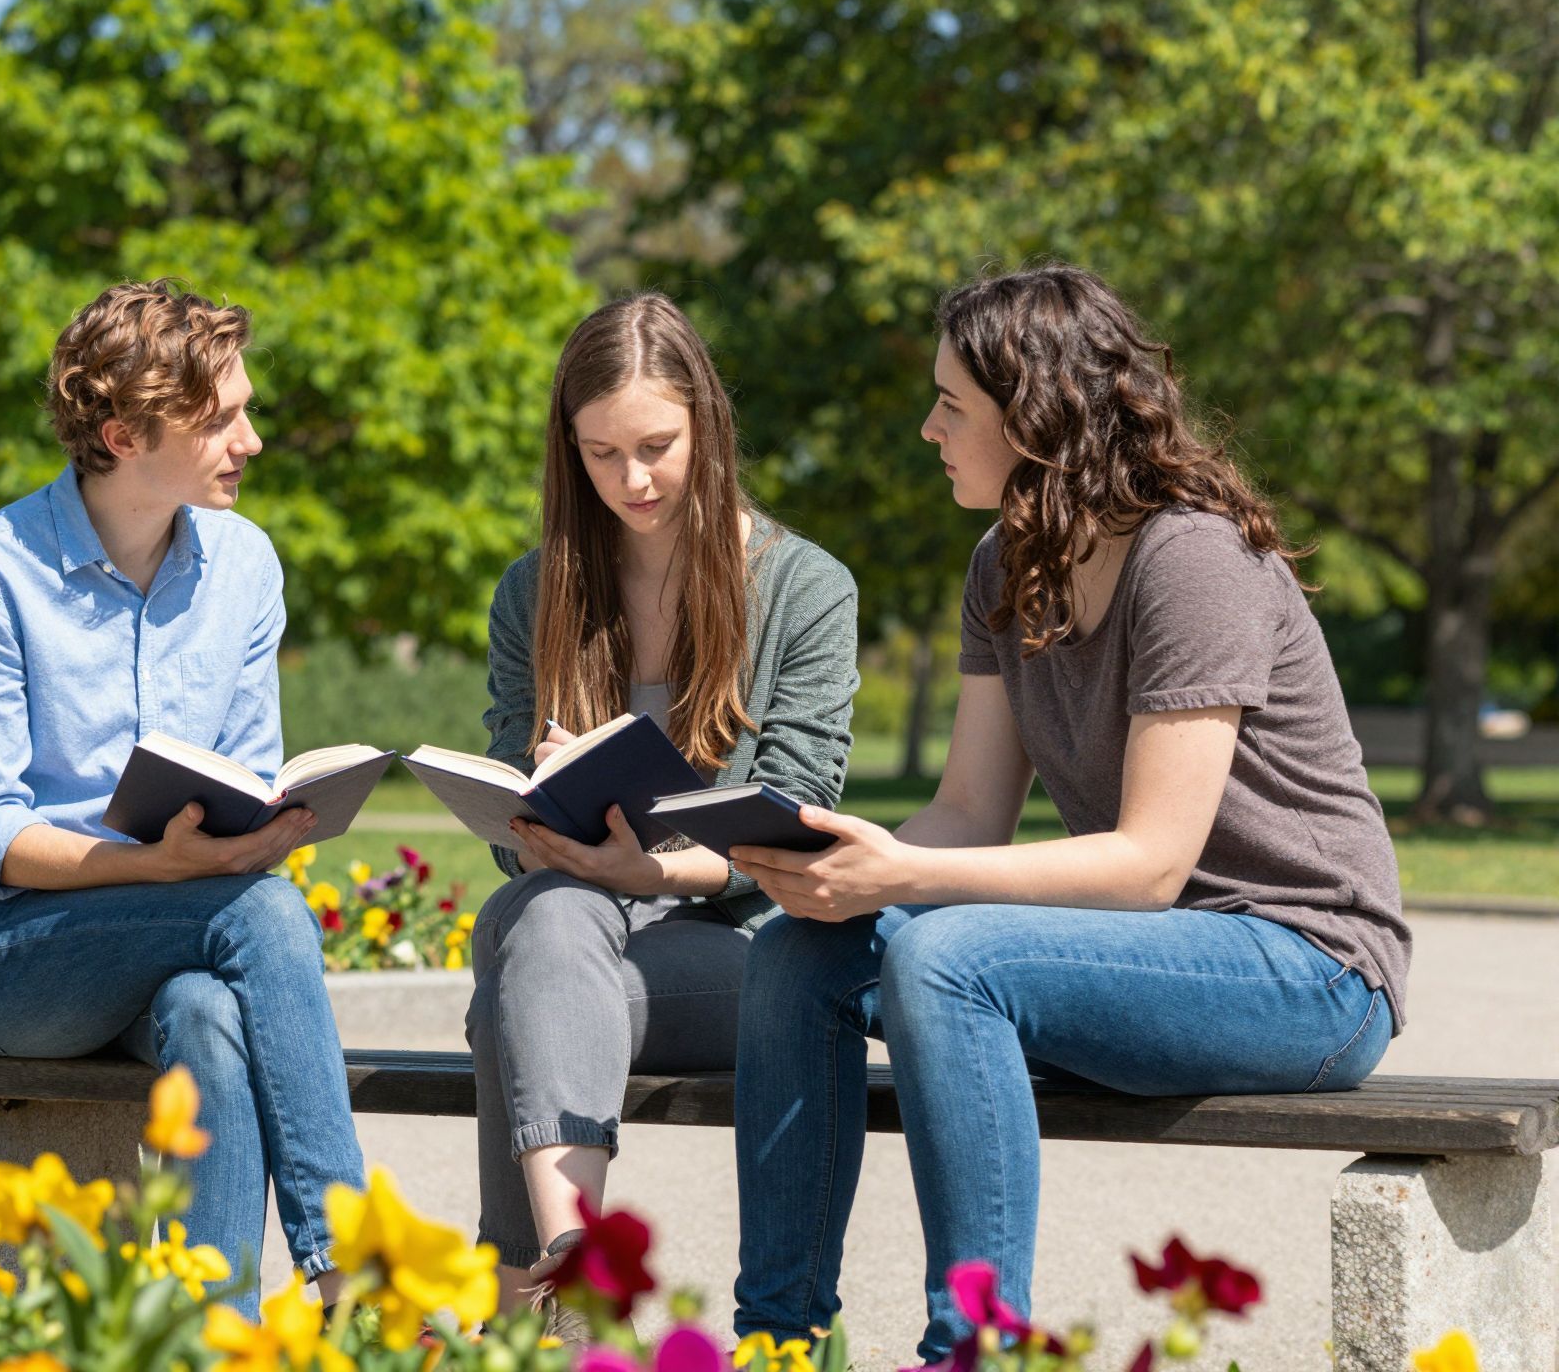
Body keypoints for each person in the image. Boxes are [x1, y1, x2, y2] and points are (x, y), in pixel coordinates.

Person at [728, 264, 1412, 1364]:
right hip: (1148, 954)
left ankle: (975, 1347)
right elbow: (965, 813)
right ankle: (778, 1338)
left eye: (950, 405)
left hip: (1308, 967)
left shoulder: (1190, 559)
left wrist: (904, 881)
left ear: (1032, 417)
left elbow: (1147, 864)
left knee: (949, 959)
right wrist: (845, 859)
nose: (926, 428)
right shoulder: (1003, 564)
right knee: (794, 955)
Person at [0, 279, 364, 1307]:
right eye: (219, 421)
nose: (248, 441)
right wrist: (156, 866)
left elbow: (248, 769)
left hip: (182, 923)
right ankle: (353, 1272)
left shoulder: (245, 565)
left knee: (207, 1014)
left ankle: (212, 1332)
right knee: (258, 911)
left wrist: (260, 826)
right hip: (11, 951)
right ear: (119, 434)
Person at [468, 292, 860, 1332]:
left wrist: (646, 867)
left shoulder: (804, 586)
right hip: (579, 934)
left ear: (709, 427)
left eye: (655, 446)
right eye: (599, 455)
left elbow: (796, 817)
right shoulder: (532, 591)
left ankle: (524, 1310)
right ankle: (574, 1259)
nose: (631, 481)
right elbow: (519, 828)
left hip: (742, 956)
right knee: (540, 916)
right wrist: (544, 806)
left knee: (513, 970)